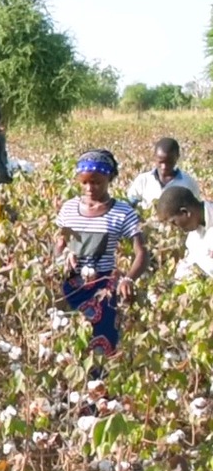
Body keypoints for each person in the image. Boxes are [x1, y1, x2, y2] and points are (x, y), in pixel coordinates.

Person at [55, 150, 148, 357]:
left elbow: (141, 253)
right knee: (69, 345)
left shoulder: (122, 212)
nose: (89, 188)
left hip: (103, 290)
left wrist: (128, 279)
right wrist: (64, 255)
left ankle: (101, 386)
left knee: (103, 343)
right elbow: (60, 243)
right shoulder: (69, 208)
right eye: (84, 183)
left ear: (110, 179)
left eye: (96, 183)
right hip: (70, 288)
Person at [155, 186, 213, 280]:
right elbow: (186, 269)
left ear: (185, 212)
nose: (174, 228)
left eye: (173, 222)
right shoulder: (193, 240)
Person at [126, 137, 201, 207]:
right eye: (160, 162)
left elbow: (196, 211)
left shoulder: (188, 183)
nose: (164, 167)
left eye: (169, 162)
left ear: (177, 157)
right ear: (154, 157)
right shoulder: (143, 180)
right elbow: (129, 206)